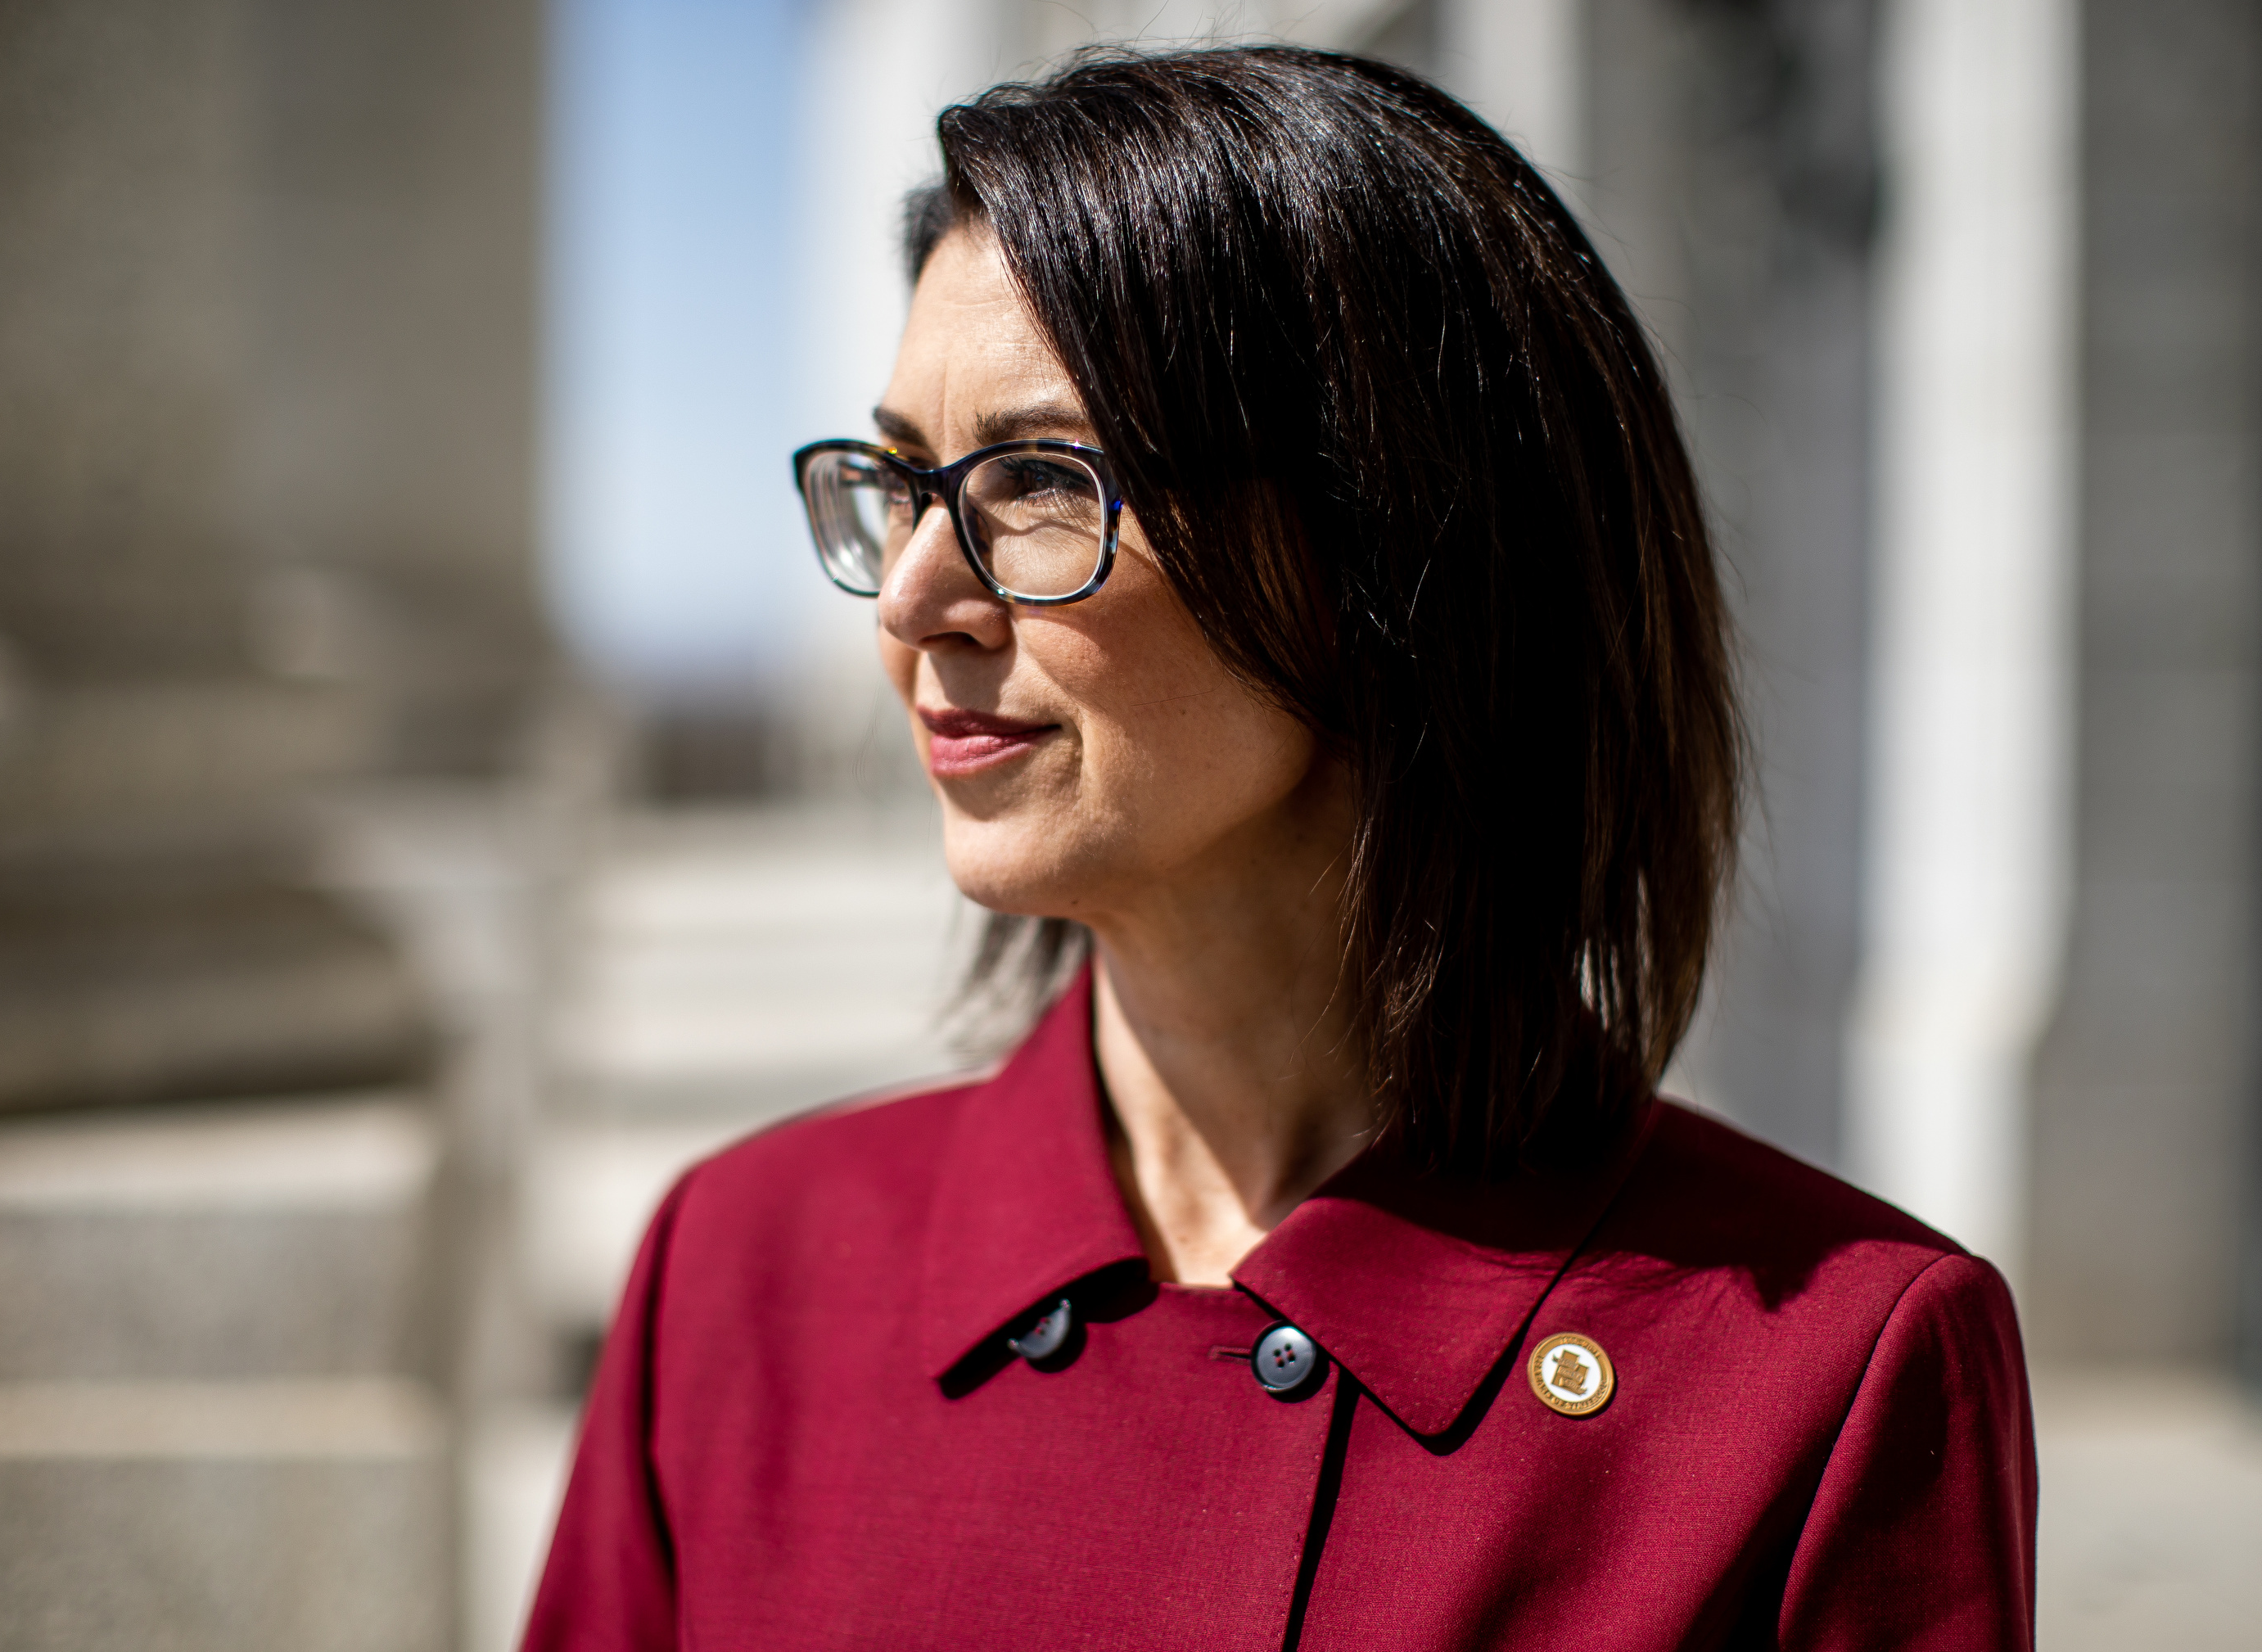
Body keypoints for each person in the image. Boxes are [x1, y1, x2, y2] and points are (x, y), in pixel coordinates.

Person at [526, 45, 2034, 1651]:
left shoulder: (1825, 1374)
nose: (912, 600)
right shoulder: (741, 1277)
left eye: (1038, 482)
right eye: (901, 484)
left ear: (1394, 537)